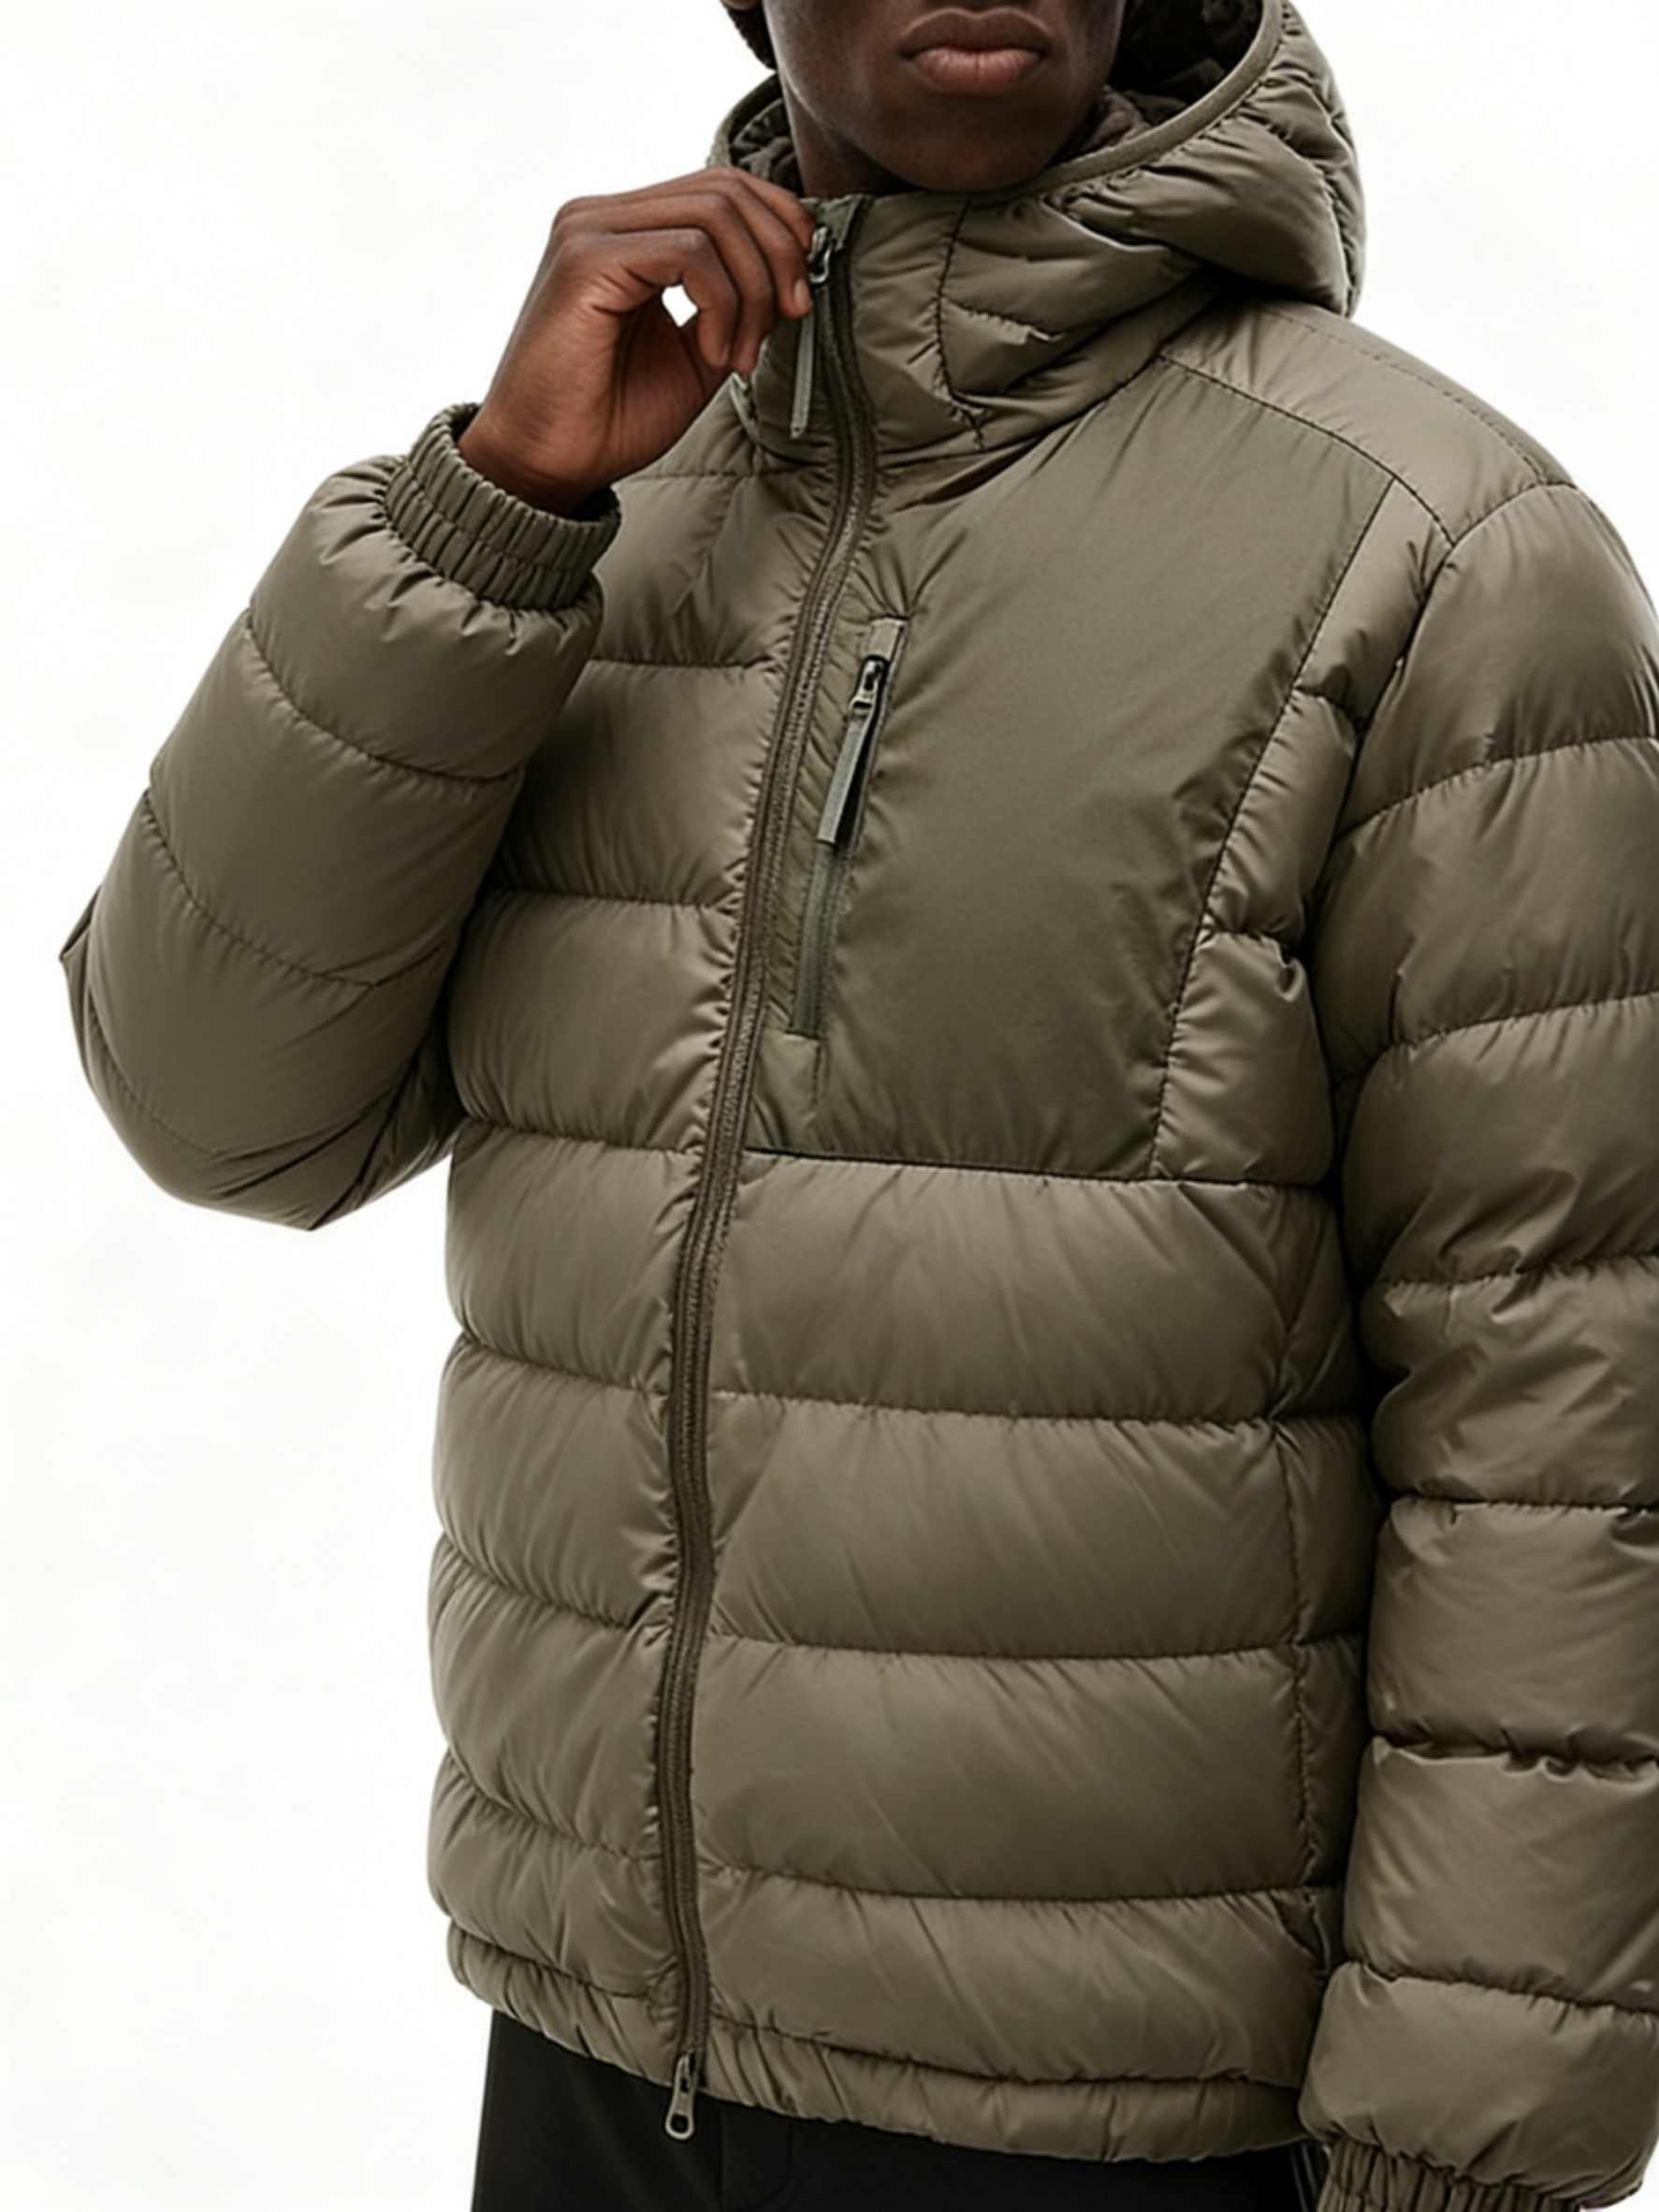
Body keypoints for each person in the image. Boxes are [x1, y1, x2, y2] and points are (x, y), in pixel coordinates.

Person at [60, 1, 1659, 2208]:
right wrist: (491, 511)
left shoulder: (1432, 551)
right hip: (598, 2056)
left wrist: (1457, 2155)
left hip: (1126, 2121)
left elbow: (1563, 1411)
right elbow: (216, 1104)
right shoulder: (599, 512)